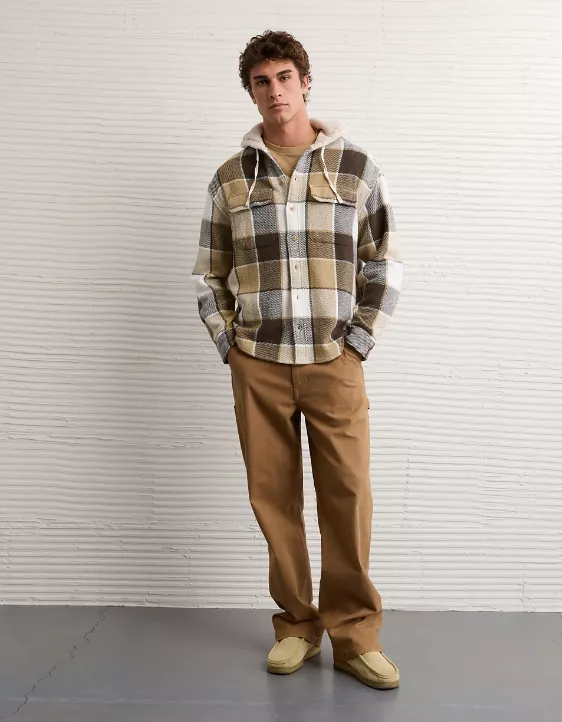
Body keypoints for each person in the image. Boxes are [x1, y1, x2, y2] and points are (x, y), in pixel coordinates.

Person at [191, 30, 403, 690]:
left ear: (305, 82)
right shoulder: (231, 178)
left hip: (333, 360)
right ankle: (297, 627)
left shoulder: (355, 167)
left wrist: (357, 343)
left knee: (348, 496)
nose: (275, 90)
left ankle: (355, 635)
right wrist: (230, 345)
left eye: (284, 77)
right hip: (258, 362)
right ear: (251, 92)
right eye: (261, 81)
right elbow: (208, 274)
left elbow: (384, 263)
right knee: (273, 499)